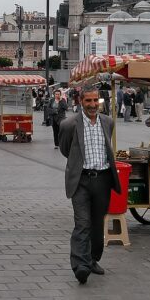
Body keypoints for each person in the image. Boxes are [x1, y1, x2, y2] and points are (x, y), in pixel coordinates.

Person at [58, 87, 120, 285]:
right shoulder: (69, 125)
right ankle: (80, 266)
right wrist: (78, 164)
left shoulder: (108, 122)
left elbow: (107, 149)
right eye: (88, 101)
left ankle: (93, 259)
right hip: (81, 180)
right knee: (82, 223)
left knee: (97, 223)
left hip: (102, 179)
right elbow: (65, 149)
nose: (93, 105)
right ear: (80, 101)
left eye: (96, 101)